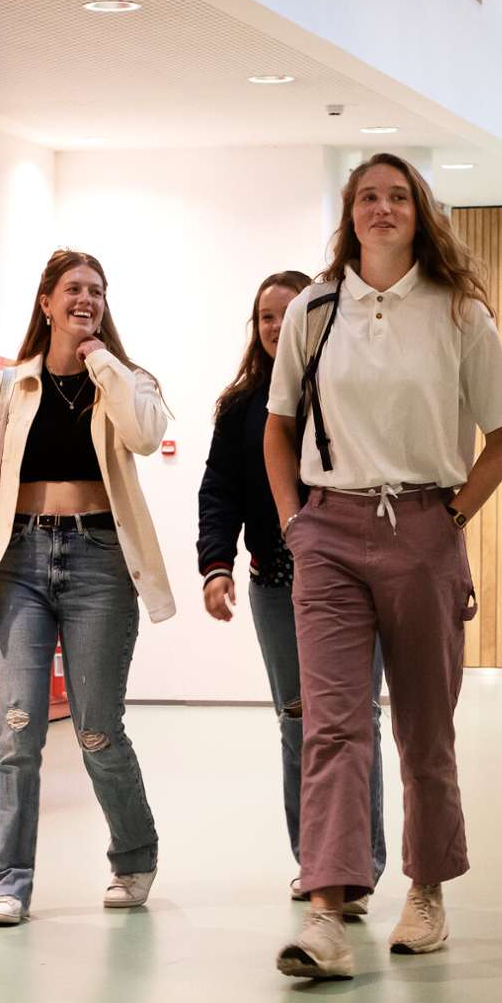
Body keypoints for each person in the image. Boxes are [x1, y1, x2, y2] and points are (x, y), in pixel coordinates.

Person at [265, 153, 502, 980]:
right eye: (368, 197)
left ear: (420, 213)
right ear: (350, 213)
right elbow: (277, 427)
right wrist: (295, 527)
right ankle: (327, 911)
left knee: (423, 727)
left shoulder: (458, 314)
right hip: (330, 534)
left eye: (398, 196)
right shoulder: (314, 307)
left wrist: (449, 520)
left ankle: (427, 889)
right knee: (333, 726)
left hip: (423, 526)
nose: (383, 208)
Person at [0, 248, 175, 926]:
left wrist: (101, 360)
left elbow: (146, 434)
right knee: (17, 728)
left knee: (97, 729)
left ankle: (134, 856)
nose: (86, 299)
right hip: (19, 558)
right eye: (73, 289)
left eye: (97, 291)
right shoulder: (7, 389)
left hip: (100, 561)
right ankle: (8, 881)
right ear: (45, 302)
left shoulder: (125, 380)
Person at [197, 272, 386, 911]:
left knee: (356, 718)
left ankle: (359, 864)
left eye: (288, 314)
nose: (276, 327)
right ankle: (315, 861)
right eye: (265, 318)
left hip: (353, 578)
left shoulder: (348, 389)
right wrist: (215, 564)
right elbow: (219, 487)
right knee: (298, 720)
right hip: (276, 581)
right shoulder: (241, 405)